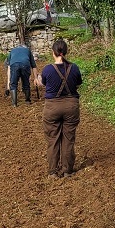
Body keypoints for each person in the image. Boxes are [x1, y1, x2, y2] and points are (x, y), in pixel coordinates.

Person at [36, 38, 83, 177]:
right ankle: (67, 170)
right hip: (71, 106)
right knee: (68, 139)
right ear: (66, 52)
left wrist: (38, 79)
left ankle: (53, 171)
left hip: (52, 108)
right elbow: (78, 83)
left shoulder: (48, 69)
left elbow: (43, 83)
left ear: (53, 53)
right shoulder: (74, 67)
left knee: (53, 139)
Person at [5, 38, 36, 106]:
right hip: (25, 64)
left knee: (13, 84)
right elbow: (33, 66)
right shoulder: (28, 50)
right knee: (26, 83)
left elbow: (9, 68)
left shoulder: (12, 51)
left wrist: (8, 84)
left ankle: (14, 104)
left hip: (14, 65)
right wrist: (35, 78)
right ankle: (27, 100)